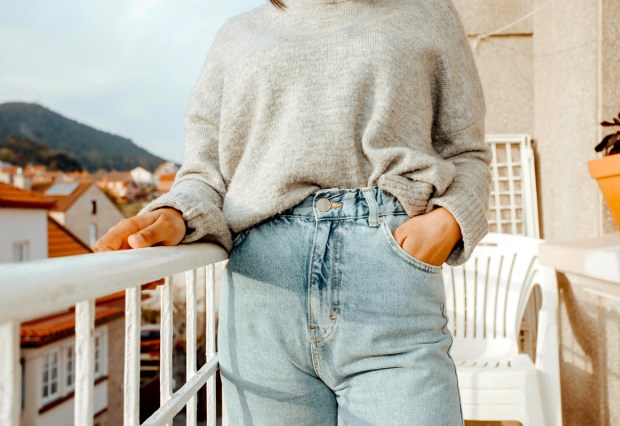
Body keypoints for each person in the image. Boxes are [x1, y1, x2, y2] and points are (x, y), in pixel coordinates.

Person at [94, 0, 492, 424]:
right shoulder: (238, 35)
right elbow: (205, 169)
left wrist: (448, 219)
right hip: (262, 295)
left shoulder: (427, 13)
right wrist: (177, 213)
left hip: (389, 281)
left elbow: (466, 150)